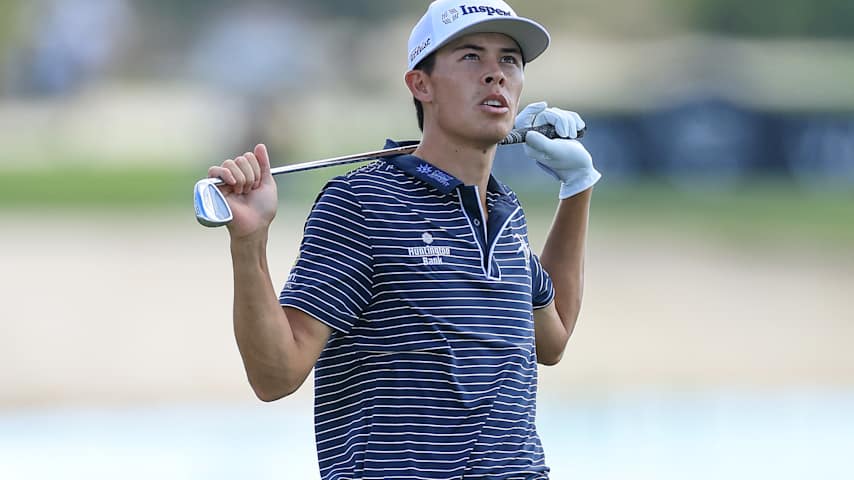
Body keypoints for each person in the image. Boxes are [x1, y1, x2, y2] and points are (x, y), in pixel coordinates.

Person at [207, 0, 601, 478]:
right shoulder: (362, 202)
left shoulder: (504, 211)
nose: (496, 74)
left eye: (510, 61)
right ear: (421, 84)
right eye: (471, 57)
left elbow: (552, 338)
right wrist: (248, 244)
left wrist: (577, 188)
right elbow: (275, 376)